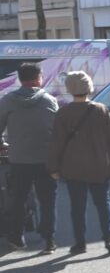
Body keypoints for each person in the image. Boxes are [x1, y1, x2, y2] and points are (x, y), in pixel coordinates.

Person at [48, 71, 110, 255]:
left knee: (77, 206)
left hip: (73, 168)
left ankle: (80, 243)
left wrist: (53, 167)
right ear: (89, 86)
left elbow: (56, 143)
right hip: (99, 165)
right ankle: (109, 239)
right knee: (103, 203)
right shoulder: (100, 109)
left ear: (69, 89)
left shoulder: (63, 113)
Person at [0, 63, 58, 253]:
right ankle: (49, 240)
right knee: (47, 200)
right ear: (39, 78)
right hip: (45, 159)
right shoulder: (49, 100)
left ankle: (16, 237)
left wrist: (3, 144)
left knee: (18, 199)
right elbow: (57, 132)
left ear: (20, 79)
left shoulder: (7, 101)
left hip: (18, 159)